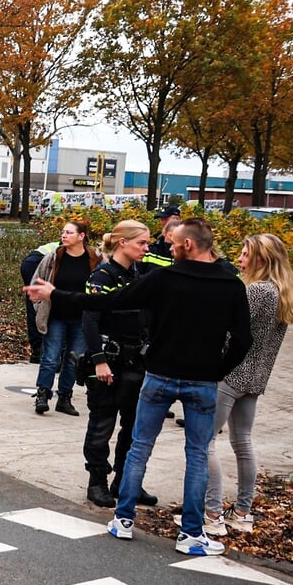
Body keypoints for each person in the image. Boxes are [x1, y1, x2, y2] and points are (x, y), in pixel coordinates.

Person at [29, 217, 251, 556]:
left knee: (139, 445)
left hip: (159, 374)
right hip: (202, 380)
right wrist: (217, 370)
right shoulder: (231, 285)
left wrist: (55, 294)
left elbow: (108, 303)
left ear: (188, 245)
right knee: (196, 454)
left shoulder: (163, 278)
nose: (167, 249)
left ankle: (124, 519)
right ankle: (191, 534)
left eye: (173, 244)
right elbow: (242, 340)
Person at [198, 232, 293, 536]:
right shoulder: (282, 292)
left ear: (260, 258)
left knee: (205, 442)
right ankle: (243, 511)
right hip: (256, 377)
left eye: (244, 254)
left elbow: (232, 334)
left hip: (231, 375)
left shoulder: (256, 291)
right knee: (242, 442)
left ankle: (212, 513)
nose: (239, 260)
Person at [74, 220, 156, 508]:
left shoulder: (140, 275)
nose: (146, 248)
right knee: (102, 425)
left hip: (136, 363)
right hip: (108, 363)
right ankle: (96, 482)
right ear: (123, 242)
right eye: (141, 243)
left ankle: (125, 481)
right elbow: (90, 321)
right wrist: (99, 361)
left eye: (147, 243)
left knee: (134, 427)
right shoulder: (103, 276)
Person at [30, 220, 100, 415]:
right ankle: (43, 394)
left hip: (82, 318)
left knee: (72, 359)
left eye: (69, 232)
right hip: (56, 316)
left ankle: (64, 398)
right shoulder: (54, 257)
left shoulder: (95, 259)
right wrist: (40, 306)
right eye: (63, 232)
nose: (64, 235)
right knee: (50, 357)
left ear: (81, 236)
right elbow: (37, 282)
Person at [20, 241, 53, 364]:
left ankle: (37, 350)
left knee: (34, 305)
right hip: (36, 262)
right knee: (39, 305)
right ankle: (38, 349)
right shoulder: (73, 247)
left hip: (32, 261)